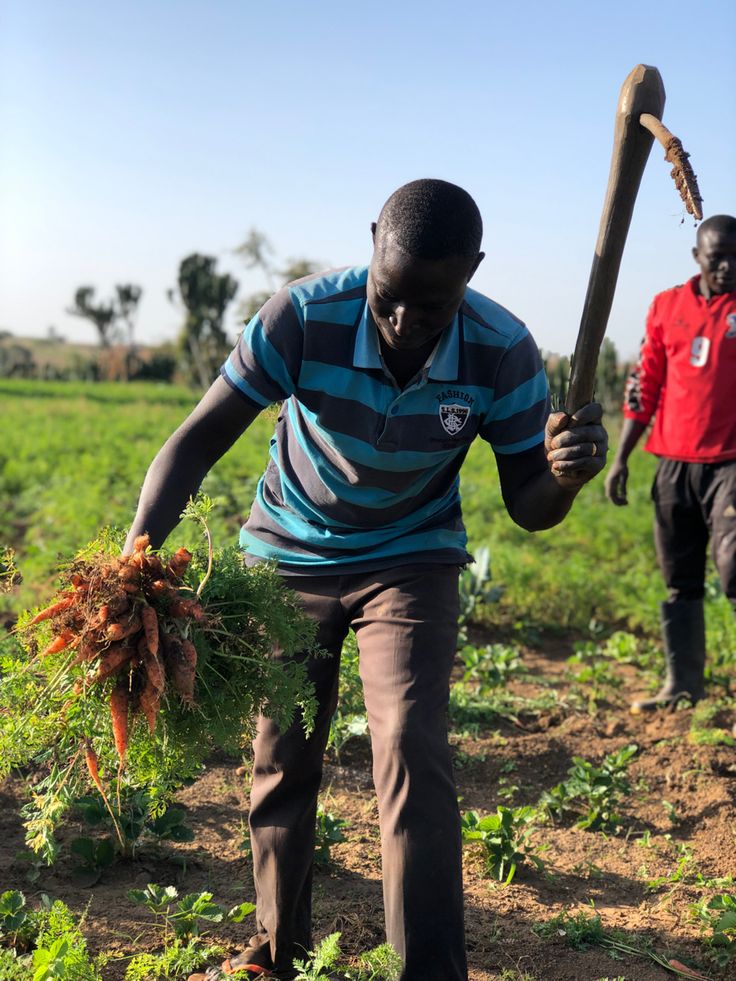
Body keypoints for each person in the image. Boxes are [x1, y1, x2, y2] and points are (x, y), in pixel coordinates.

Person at [125, 178, 608, 981]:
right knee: (283, 753)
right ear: (373, 238)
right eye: (390, 299)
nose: (405, 323)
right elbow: (195, 440)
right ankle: (279, 953)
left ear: (472, 272)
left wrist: (563, 476)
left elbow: (530, 505)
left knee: (411, 743)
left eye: (433, 306)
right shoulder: (305, 316)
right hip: (290, 554)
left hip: (410, 556)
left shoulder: (502, 348)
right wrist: (135, 561)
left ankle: (430, 970)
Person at [605, 214, 736, 713]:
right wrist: (620, 460)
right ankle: (682, 685)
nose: (727, 267)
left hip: (731, 462)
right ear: (698, 258)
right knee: (679, 578)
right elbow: (646, 385)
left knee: (734, 565)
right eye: (717, 256)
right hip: (674, 463)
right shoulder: (667, 307)